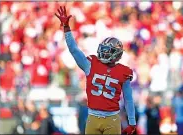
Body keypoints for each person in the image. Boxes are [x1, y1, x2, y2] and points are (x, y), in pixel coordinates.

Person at [55, 6, 136, 135]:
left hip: (110, 118)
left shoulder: (121, 71)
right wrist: (66, 28)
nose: (103, 53)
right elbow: (74, 50)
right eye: (103, 49)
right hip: (95, 117)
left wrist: (132, 122)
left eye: (107, 51)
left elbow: (128, 99)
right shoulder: (92, 64)